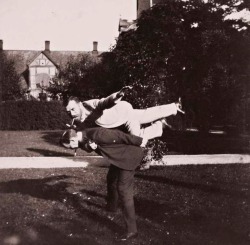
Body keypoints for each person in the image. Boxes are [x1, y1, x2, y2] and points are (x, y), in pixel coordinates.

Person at [60, 127, 148, 241]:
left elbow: (119, 136)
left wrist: (140, 141)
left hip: (129, 157)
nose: (74, 149)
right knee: (111, 178)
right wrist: (90, 147)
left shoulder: (99, 134)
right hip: (117, 158)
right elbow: (86, 147)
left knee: (123, 189)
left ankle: (132, 230)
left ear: (73, 139)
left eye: (72, 146)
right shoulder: (82, 136)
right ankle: (112, 206)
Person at [66, 86, 184, 139]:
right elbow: (83, 129)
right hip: (121, 118)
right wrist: (75, 129)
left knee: (138, 141)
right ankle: (174, 107)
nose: (71, 114)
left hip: (123, 114)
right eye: (68, 111)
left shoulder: (90, 105)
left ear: (80, 104)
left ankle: (159, 126)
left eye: (73, 109)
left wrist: (118, 95)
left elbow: (104, 102)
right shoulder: (77, 119)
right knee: (147, 113)